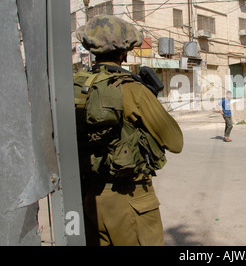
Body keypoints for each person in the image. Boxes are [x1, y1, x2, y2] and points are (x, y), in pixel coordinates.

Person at [73, 15, 183, 246]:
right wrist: (150, 97)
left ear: (91, 50)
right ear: (124, 53)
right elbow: (175, 142)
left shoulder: (73, 86)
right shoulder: (131, 88)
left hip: (88, 199)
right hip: (131, 200)